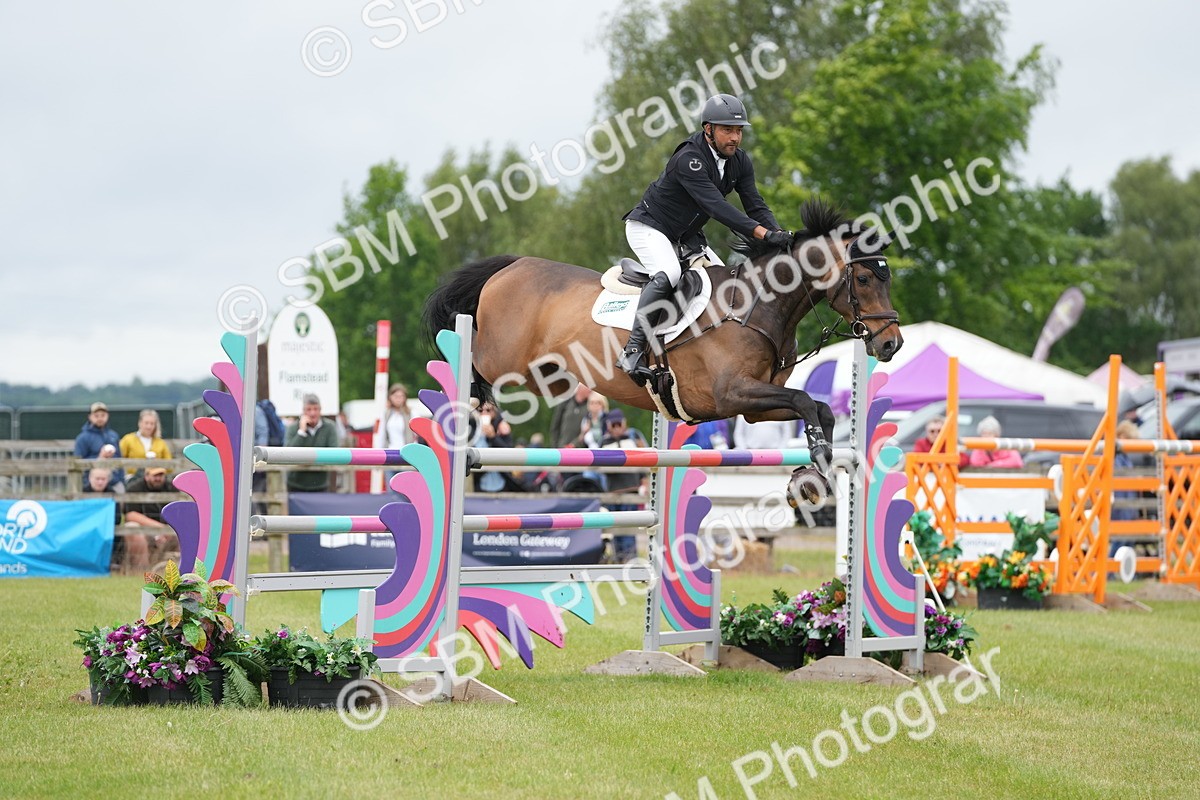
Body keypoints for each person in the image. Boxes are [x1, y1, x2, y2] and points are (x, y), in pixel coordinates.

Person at [618, 93, 789, 385]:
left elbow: (755, 205)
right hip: (650, 227)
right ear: (708, 129)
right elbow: (716, 207)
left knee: (725, 285)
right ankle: (633, 350)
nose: (735, 137)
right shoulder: (689, 159)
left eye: (739, 131)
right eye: (727, 130)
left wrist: (780, 236)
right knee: (670, 273)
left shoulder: (740, 162)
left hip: (686, 237)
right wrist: (762, 234)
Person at [599, 409, 648, 563]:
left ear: (624, 424)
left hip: (630, 490)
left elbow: (641, 462)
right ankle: (618, 558)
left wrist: (644, 479)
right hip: (613, 491)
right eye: (614, 424)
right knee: (615, 528)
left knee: (628, 528)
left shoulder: (633, 439)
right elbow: (604, 468)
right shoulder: (604, 442)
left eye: (619, 424)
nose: (617, 427)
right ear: (608, 426)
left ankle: (630, 559)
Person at [83, 466, 148, 570]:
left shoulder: (113, 494)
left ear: (107, 480)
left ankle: (125, 566)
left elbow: (117, 518)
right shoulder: (82, 493)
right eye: (97, 479)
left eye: (103, 479)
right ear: (90, 478)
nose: (100, 482)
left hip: (109, 530)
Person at [123, 466, 177, 564]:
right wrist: (159, 528)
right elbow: (130, 515)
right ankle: (141, 571)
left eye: (161, 475)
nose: (158, 478)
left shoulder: (171, 488)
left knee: (183, 532)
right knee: (132, 528)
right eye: (155, 475)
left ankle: (178, 570)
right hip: (145, 529)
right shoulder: (134, 489)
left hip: (168, 529)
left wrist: (169, 530)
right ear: (146, 476)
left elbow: (178, 513)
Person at [284, 394, 338, 492]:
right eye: (309, 409)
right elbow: (289, 454)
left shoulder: (330, 427)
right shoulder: (293, 428)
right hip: (295, 484)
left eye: (315, 409)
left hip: (320, 484)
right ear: (303, 411)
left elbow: (334, 453)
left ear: (320, 410)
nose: (312, 413)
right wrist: (301, 432)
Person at [74, 401, 123, 489]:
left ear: (107, 416)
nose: (100, 418)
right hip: (91, 484)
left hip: (113, 482)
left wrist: (121, 479)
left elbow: (120, 460)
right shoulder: (83, 438)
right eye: (96, 416)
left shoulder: (113, 435)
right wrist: (100, 458)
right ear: (90, 417)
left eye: (103, 415)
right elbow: (78, 463)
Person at [118, 409, 172, 481]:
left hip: (156, 479)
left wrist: (157, 465)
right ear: (140, 423)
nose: (149, 426)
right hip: (133, 478)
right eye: (146, 423)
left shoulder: (161, 443)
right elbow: (118, 458)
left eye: (152, 423)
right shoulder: (128, 439)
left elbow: (170, 466)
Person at [550, 384, 592, 449]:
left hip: (581, 450)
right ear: (580, 388)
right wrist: (555, 446)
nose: (591, 390)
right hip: (562, 447)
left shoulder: (590, 406)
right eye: (588, 387)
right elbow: (555, 426)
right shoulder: (565, 403)